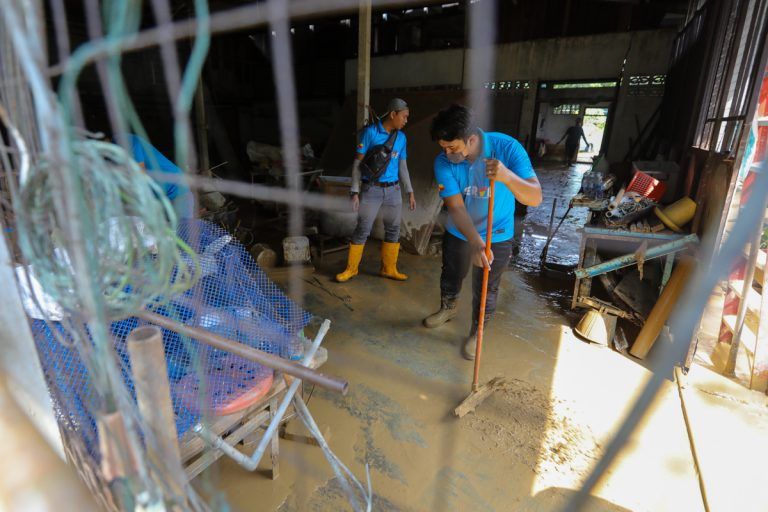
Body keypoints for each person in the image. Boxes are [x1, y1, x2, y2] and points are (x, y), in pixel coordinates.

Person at [422, 104, 542, 360]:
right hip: (459, 231)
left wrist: (507, 176)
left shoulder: (507, 148)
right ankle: (449, 307)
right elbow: (454, 205)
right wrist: (475, 241)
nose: (447, 153)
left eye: (452, 147)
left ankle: (478, 332)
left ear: (472, 138)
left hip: (496, 233)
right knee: (451, 273)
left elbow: (535, 197)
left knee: (486, 286)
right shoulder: (444, 162)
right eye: (443, 148)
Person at [336, 98, 416, 282]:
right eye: (404, 116)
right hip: (371, 190)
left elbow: (403, 166)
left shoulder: (401, 138)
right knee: (363, 228)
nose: (406, 120)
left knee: (393, 229)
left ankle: (389, 269)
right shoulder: (370, 133)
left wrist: (409, 190)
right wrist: (354, 192)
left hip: (394, 191)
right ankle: (351, 269)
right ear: (393, 114)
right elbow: (357, 164)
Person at [126, 133, 195, 219]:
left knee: (182, 229)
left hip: (177, 193)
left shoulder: (124, 139)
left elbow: (140, 173)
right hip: (163, 197)